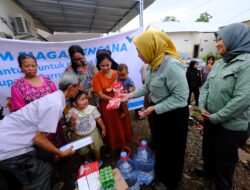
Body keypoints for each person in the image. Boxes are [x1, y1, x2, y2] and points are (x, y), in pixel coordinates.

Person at [122, 30, 189, 189]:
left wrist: (155, 107)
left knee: (173, 148)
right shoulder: (153, 63)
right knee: (161, 145)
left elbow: (181, 98)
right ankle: (162, 173)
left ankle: (171, 181)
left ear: (150, 47)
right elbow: (147, 87)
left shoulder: (171, 65)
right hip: (160, 112)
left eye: (139, 50)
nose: (138, 54)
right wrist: (129, 96)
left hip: (174, 114)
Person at [0, 72, 80, 190]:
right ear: (70, 87)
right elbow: (38, 138)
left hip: (10, 137)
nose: (78, 90)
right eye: (77, 87)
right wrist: (60, 153)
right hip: (9, 147)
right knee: (41, 174)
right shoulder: (56, 103)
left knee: (44, 166)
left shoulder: (56, 98)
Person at [197, 23, 250, 190]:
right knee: (209, 148)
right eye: (216, 39)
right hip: (210, 117)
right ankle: (209, 171)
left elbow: (242, 99)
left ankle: (223, 185)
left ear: (235, 39)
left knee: (225, 158)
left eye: (221, 39)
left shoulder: (246, 64)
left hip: (230, 125)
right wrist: (201, 105)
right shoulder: (220, 62)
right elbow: (206, 86)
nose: (217, 43)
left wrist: (217, 117)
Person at [93, 50, 133, 151]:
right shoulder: (96, 76)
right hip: (108, 107)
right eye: (102, 66)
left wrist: (127, 92)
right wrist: (114, 100)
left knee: (123, 124)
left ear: (111, 62)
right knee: (113, 127)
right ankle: (116, 145)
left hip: (121, 105)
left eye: (107, 65)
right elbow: (100, 94)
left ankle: (124, 144)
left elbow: (127, 85)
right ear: (98, 65)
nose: (105, 68)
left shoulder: (117, 73)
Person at [66, 91, 106, 161]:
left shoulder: (91, 108)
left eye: (85, 98)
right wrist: (72, 119)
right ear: (74, 103)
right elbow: (69, 125)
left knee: (96, 149)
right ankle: (88, 160)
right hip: (80, 136)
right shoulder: (71, 113)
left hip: (93, 133)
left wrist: (103, 128)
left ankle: (98, 160)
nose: (85, 101)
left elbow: (98, 118)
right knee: (84, 151)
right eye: (82, 99)